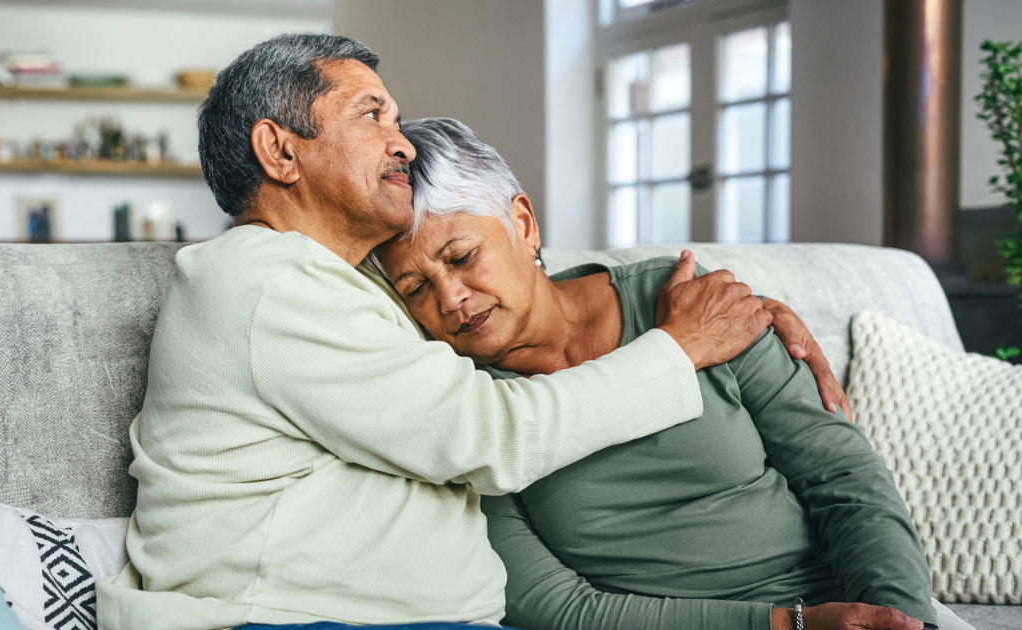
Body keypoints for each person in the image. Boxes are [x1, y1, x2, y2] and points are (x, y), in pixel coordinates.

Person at [96, 34, 839, 630]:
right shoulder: (266, 281)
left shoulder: (337, 285)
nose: (403, 144)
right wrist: (683, 346)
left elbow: (516, 292)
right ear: (280, 150)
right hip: (289, 619)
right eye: (372, 115)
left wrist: (733, 306)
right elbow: (490, 433)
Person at [372, 117, 976, 630]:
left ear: (523, 224)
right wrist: (786, 624)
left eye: (461, 256)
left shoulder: (689, 300)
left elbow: (844, 475)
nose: (451, 298)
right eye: (416, 286)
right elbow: (554, 606)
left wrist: (892, 613)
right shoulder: (459, 403)